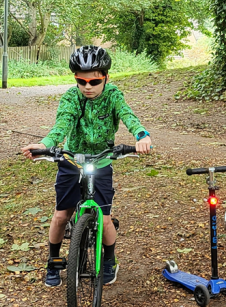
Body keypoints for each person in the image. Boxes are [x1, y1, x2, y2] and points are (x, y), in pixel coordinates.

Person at [21, 46, 152, 288]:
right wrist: (45, 144)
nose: (87, 87)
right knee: (62, 215)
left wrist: (142, 136)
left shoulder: (113, 95)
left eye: (94, 81)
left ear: (106, 78)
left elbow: (128, 116)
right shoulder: (72, 97)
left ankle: (110, 259)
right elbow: (62, 124)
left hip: (101, 161)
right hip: (72, 160)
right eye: (81, 81)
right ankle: (54, 260)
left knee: (105, 218)